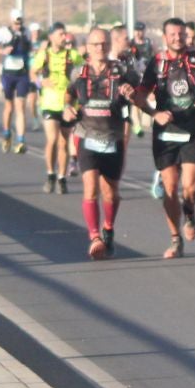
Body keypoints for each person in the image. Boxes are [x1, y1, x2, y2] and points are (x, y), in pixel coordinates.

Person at [137, 16, 195, 259]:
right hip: (166, 132)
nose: (177, 38)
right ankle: (175, 239)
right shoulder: (157, 63)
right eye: (172, 34)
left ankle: (190, 212)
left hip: (192, 128)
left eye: (181, 34)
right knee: (170, 188)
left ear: (187, 35)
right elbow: (141, 96)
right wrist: (154, 113)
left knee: (190, 188)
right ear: (165, 37)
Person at [65, 27, 136, 260]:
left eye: (104, 44)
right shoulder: (79, 73)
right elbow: (69, 94)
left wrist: (130, 92)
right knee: (90, 187)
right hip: (87, 135)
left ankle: (108, 229)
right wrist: (67, 108)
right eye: (95, 44)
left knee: (111, 192)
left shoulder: (121, 70)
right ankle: (94, 236)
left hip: (113, 137)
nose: (100, 48)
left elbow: (138, 91)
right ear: (87, 47)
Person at [32, 23, 82, 194]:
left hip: (67, 105)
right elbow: (32, 72)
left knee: (63, 142)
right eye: (60, 34)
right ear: (51, 36)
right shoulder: (44, 55)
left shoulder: (72, 55)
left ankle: (61, 178)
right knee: (52, 140)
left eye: (65, 34)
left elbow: (84, 69)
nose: (64, 37)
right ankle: (50, 174)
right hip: (49, 103)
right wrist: (41, 81)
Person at [0, 10, 36, 154]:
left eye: (20, 22)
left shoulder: (27, 33)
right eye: (16, 22)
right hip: (8, 74)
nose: (18, 25)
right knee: (9, 106)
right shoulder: (3, 33)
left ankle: (21, 140)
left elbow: (30, 48)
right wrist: (3, 51)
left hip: (22, 74)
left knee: (21, 106)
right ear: (11, 21)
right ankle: (6, 134)